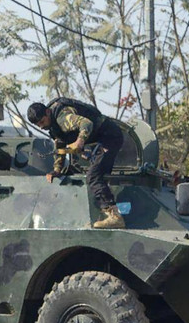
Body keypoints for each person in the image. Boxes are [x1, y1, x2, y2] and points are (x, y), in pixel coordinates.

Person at [27, 97, 126, 229]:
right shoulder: (53, 125)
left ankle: (115, 217)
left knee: (94, 176)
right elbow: (60, 144)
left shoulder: (63, 117)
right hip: (98, 141)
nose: (41, 126)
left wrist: (80, 142)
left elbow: (86, 123)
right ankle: (98, 216)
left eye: (42, 121)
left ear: (48, 112)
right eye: (38, 125)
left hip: (110, 137)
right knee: (80, 176)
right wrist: (57, 169)